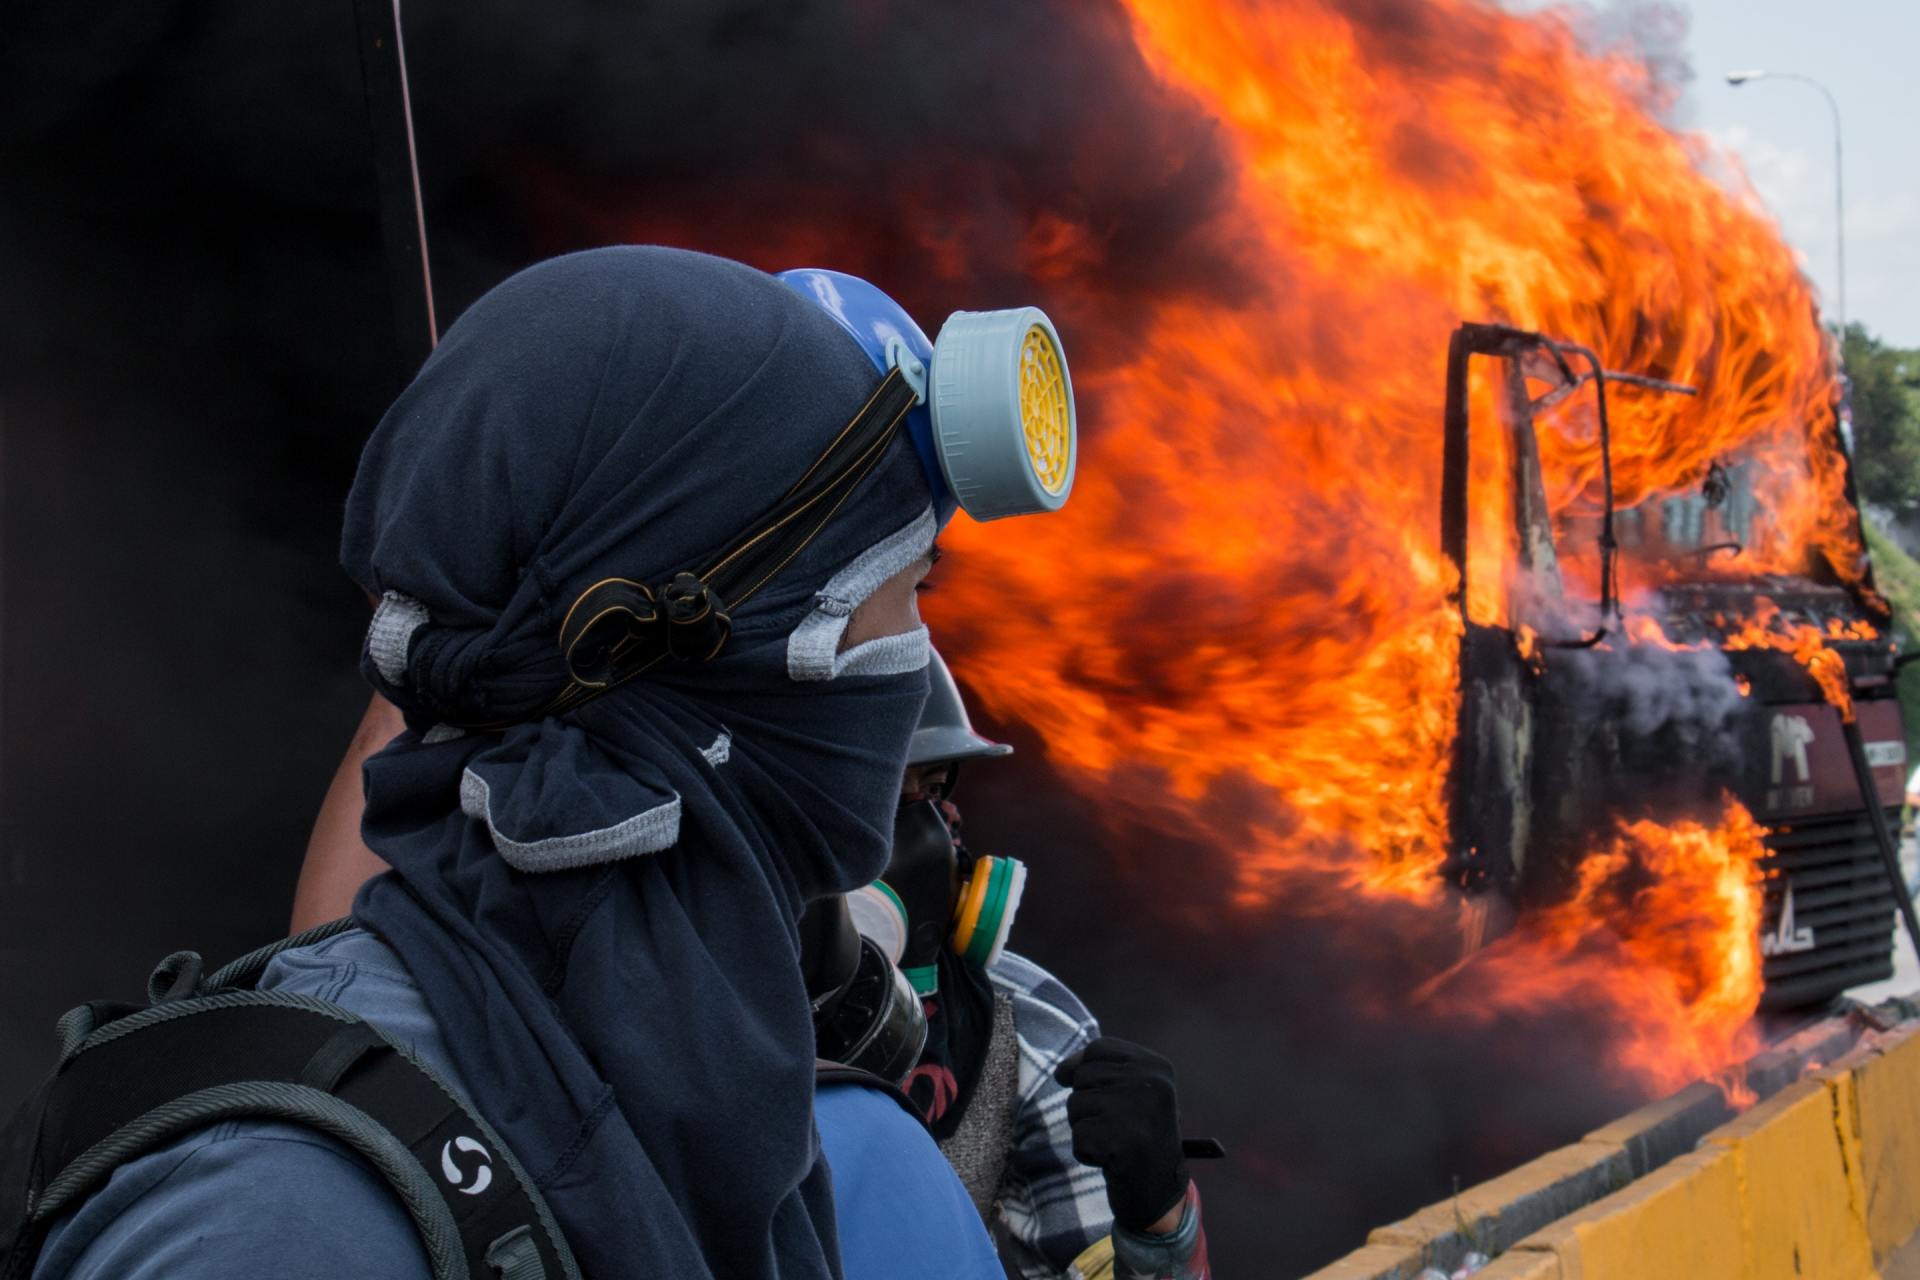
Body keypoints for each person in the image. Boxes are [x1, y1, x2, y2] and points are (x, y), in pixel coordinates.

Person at [16, 245, 1078, 1280]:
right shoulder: (285, 1219)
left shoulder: (717, 1101)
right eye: (907, 590)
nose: (915, 663)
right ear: (711, 645)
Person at [854, 651, 1213, 1280]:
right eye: (883, 793)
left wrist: (1157, 1226)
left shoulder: (1023, 1030)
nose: (933, 835)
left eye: (936, 791)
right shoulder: (683, 1010)